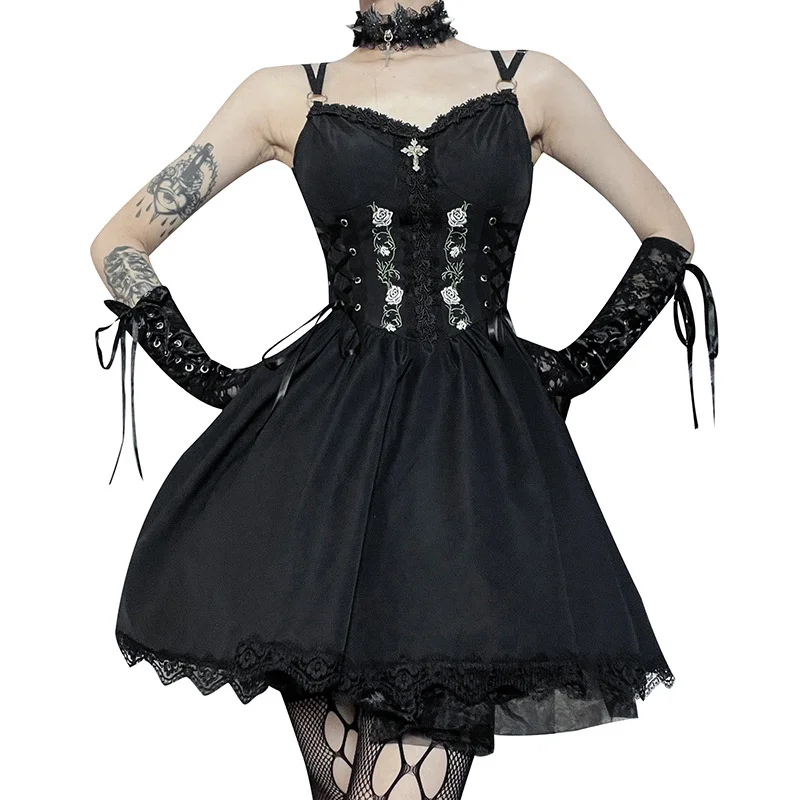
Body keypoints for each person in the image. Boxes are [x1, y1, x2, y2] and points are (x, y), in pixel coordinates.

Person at [91, 2, 718, 798]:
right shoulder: (285, 93)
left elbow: (667, 233)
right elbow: (118, 241)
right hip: (325, 476)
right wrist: (216, 381)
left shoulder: (530, 83)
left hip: (468, 478)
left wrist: (571, 371)